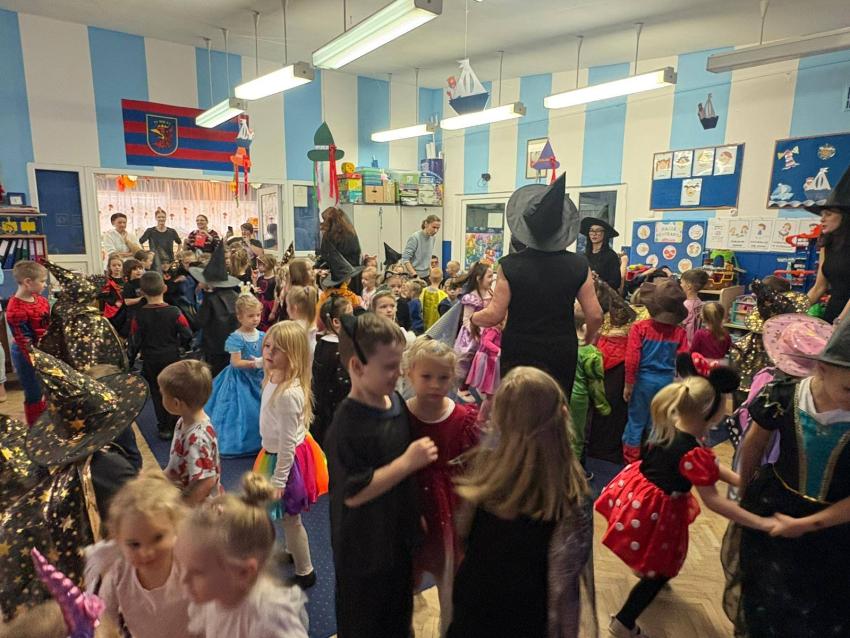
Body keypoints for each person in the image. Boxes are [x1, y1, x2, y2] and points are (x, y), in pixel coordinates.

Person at [598, 371, 774, 638]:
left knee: (654, 556)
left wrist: (737, 478)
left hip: (642, 500)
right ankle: (624, 622)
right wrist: (760, 521)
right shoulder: (692, 451)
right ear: (710, 413)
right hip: (660, 512)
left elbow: (706, 466)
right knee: (661, 570)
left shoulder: (669, 426)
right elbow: (713, 500)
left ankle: (646, 569)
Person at [723, 317, 850, 637]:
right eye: (848, 389)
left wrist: (807, 524)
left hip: (836, 528)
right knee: (768, 601)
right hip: (776, 507)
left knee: (824, 608)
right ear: (822, 369)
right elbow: (754, 444)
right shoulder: (781, 396)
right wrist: (742, 488)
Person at [448, 367, 597, 638]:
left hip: (473, 609)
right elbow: (565, 585)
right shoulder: (569, 495)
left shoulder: (481, 472)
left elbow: (462, 536)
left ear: (499, 419)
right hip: (529, 618)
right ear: (563, 416)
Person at [326, 313, 438, 637]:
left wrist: (415, 519)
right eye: (389, 367)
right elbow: (353, 492)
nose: (398, 373)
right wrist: (407, 462)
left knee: (398, 618)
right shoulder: (346, 425)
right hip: (363, 552)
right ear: (357, 366)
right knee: (366, 624)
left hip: (395, 540)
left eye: (399, 364)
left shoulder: (394, 401)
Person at [471, 174, 601, 399]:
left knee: (518, 406)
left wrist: (472, 318)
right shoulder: (579, 264)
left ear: (525, 228)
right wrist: (589, 337)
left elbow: (494, 315)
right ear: (562, 228)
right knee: (555, 406)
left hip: (520, 349)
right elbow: (596, 315)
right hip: (561, 349)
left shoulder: (510, 265)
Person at [405, 338, 480, 635]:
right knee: (404, 581)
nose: (435, 385)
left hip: (449, 511)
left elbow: (474, 466)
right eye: (426, 376)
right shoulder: (401, 416)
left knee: (450, 583)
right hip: (411, 510)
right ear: (409, 374)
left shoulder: (463, 418)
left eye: (443, 377)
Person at [175, 472, 308, 637]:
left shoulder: (270, 620)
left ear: (244, 572)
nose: (182, 580)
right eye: (181, 566)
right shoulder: (211, 595)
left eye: (197, 572)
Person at [252, 321, 325, 589]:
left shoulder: (288, 395)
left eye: (277, 349)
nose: (269, 353)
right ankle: (292, 552)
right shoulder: (273, 376)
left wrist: (280, 480)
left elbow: (287, 444)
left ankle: (306, 571)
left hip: (286, 460)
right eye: (267, 346)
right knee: (284, 514)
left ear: (293, 356)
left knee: (291, 517)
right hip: (275, 453)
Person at [83, 473, 193, 638]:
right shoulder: (118, 575)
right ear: (119, 541)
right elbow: (104, 620)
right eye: (134, 544)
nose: (146, 552)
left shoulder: (189, 567)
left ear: (176, 528)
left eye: (157, 538)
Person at [623, 279, 689, 463]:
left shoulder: (639, 328)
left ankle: (631, 462)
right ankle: (652, 460)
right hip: (666, 383)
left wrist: (628, 383)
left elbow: (632, 358)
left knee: (636, 421)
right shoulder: (680, 333)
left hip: (642, 382)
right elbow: (684, 360)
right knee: (657, 423)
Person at [128, 272, 193, 440]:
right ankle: (176, 423)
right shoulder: (174, 311)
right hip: (171, 357)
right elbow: (187, 333)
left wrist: (130, 361)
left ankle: (164, 427)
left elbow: (134, 341)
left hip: (150, 359)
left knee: (157, 393)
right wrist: (183, 347)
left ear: (142, 292)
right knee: (174, 390)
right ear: (164, 288)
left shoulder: (139, 315)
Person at [204, 294, 265, 457]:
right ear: (239, 317)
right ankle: (243, 442)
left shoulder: (263, 335)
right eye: (250, 316)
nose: (255, 319)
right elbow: (235, 362)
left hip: (259, 378)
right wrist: (255, 363)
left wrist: (264, 361)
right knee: (243, 411)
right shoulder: (236, 338)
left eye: (258, 315)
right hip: (240, 380)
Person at [160, 359, 221, 504]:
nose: (161, 397)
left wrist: (183, 506)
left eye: (163, 394)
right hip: (185, 489)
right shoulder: (183, 421)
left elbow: (206, 481)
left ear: (176, 403)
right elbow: (176, 463)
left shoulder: (197, 438)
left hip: (200, 508)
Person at [805, 164, 850, 323]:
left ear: (844, 217)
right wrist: (793, 312)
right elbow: (819, 287)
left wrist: (840, 323)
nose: (822, 219)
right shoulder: (827, 245)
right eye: (822, 214)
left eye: (828, 214)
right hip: (834, 312)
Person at [6, 260, 49, 424]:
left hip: (43, 351)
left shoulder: (41, 300)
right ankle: (36, 428)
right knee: (34, 393)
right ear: (28, 282)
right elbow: (25, 342)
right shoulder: (15, 310)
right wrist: (38, 361)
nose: (45, 285)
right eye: (42, 281)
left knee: (47, 390)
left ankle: (49, 423)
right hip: (27, 356)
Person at [192, 244, 241, 377]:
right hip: (234, 345)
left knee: (217, 376)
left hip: (214, 348)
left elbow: (199, 322)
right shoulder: (235, 295)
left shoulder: (210, 299)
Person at [570, 305, 610, 466]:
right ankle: (576, 470)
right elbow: (595, 384)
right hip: (580, 398)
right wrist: (603, 406)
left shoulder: (563, 344)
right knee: (578, 435)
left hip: (561, 392)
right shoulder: (592, 353)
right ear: (587, 327)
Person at [312, 295, 353, 446]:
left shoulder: (322, 343)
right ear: (336, 322)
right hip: (336, 411)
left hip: (325, 409)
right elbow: (342, 384)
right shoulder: (338, 349)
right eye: (350, 315)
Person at [453, 262, 494, 381]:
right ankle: (463, 386)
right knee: (467, 362)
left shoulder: (491, 293)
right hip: (473, 334)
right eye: (489, 276)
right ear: (478, 278)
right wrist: (477, 333)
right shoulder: (472, 297)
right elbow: (466, 319)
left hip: (488, 333)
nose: (492, 279)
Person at [318, 207, 362, 290]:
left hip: (341, 277)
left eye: (324, 220)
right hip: (354, 275)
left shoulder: (331, 237)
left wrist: (318, 268)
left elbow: (327, 257)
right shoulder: (350, 233)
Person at [581, 212, 621, 291]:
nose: (594, 234)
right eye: (591, 230)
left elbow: (616, 283)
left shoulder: (611, 255)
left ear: (604, 233)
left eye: (598, 230)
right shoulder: (584, 256)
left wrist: (598, 281)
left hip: (603, 295)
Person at [402, 214, 442, 279]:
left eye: (438, 228)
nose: (436, 231)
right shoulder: (415, 237)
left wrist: (431, 271)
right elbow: (405, 259)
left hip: (426, 275)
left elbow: (427, 258)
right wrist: (415, 275)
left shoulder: (433, 238)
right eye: (434, 227)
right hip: (414, 275)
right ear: (426, 224)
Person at [286, 285, 319, 359]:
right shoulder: (312, 326)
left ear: (295, 308)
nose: (286, 309)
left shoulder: (291, 329)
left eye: (287, 306)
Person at [680, 268, 709, 346]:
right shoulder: (699, 302)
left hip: (686, 344)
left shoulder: (686, 305)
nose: (680, 285)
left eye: (681, 282)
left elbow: (681, 325)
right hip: (696, 341)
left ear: (688, 286)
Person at [100, 253, 127, 334]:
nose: (117, 267)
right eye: (114, 265)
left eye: (119, 265)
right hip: (112, 310)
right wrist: (114, 302)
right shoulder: (106, 280)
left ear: (122, 266)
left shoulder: (126, 279)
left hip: (125, 308)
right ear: (109, 267)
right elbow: (103, 296)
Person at [121, 258, 146, 333]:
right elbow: (127, 301)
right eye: (135, 269)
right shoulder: (128, 285)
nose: (138, 271)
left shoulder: (144, 282)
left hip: (145, 311)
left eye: (140, 268)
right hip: (134, 314)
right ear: (128, 271)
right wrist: (143, 297)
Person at [255, 253, 277, 330]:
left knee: (269, 326)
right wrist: (254, 279)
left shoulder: (275, 280)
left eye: (259, 264)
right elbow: (258, 292)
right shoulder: (260, 278)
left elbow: (277, 298)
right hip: (261, 305)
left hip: (270, 307)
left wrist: (273, 312)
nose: (257, 267)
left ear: (267, 265)